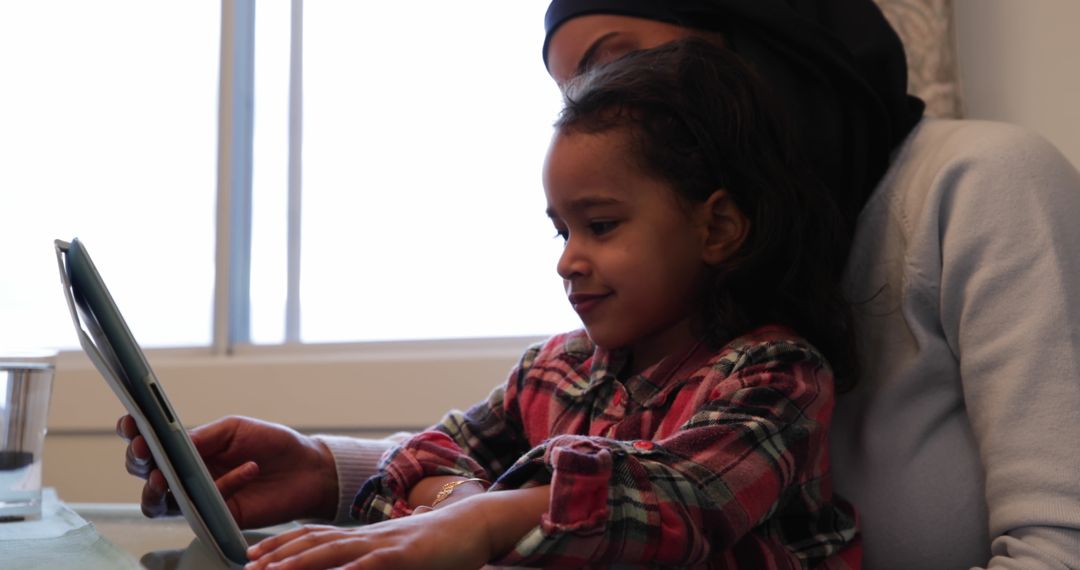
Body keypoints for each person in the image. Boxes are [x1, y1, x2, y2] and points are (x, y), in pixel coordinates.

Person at [122, 1, 1080, 568]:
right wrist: (334, 472)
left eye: (614, 66)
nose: (594, 112)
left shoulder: (975, 184)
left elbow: (1058, 547)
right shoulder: (652, 318)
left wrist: (483, 514)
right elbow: (579, 446)